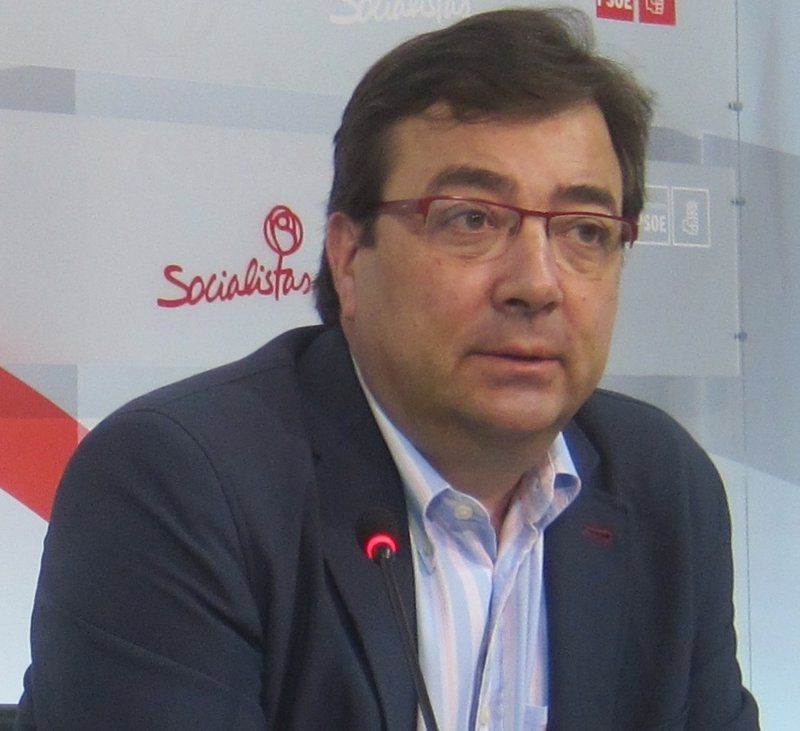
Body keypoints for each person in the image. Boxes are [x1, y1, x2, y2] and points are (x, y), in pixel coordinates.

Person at [15, 7, 758, 730]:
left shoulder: (662, 486)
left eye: (586, 231)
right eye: (471, 218)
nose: (536, 284)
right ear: (348, 257)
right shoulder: (179, 486)